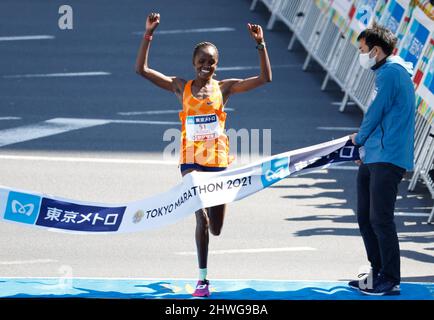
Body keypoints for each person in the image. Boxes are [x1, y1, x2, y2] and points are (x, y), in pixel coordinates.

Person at [135, 12, 272, 297]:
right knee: (203, 221)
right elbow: (143, 70)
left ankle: (218, 209)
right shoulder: (180, 86)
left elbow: (265, 78)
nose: (205, 66)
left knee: (217, 228)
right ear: (193, 63)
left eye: (211, 62)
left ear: (216, 65)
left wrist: (261, 44)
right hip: (190, 161)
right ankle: (202, 280)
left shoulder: (225, 88)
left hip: (218, 162)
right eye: (201, 61)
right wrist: (149, 33)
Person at [349, 23, 415, 296]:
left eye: (363, 50)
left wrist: (359, 140)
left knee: (380, 218)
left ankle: (390, 277)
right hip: (376, 154)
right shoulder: (387, 73)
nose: (361, 54)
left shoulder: (391, 73)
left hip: (388, 157)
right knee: (365, 216)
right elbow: (379, 115)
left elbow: (376, 112)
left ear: (376, 50)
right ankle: (377, 271)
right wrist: (365, 150)